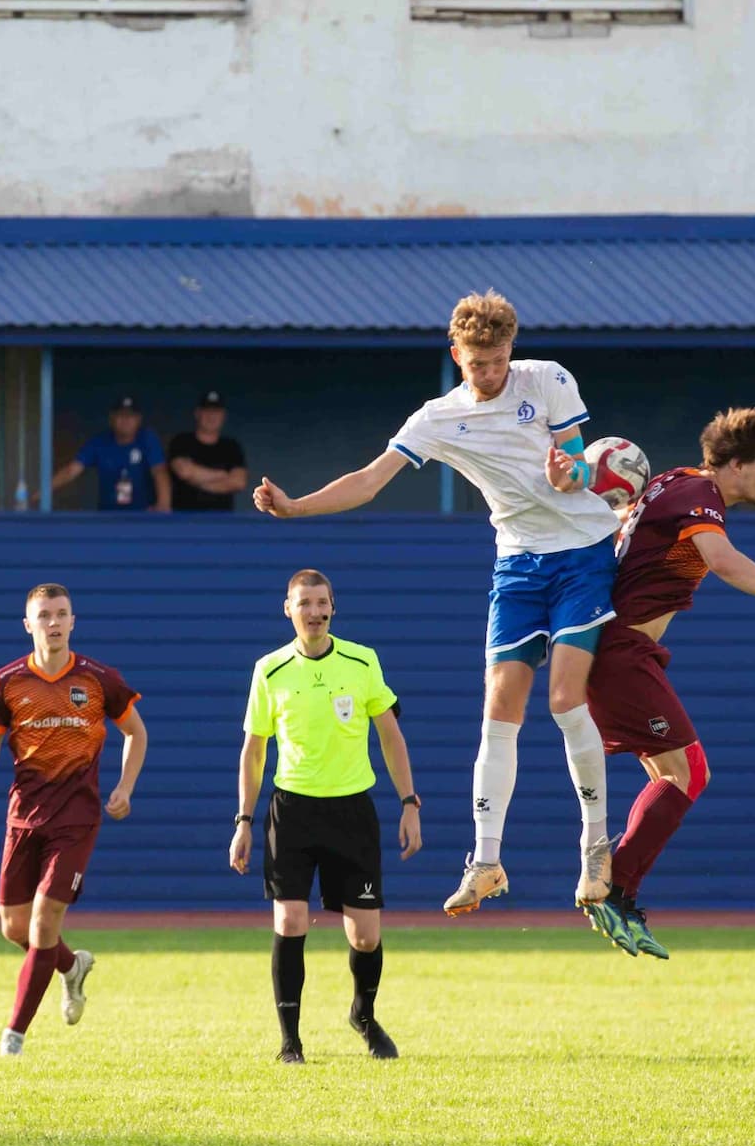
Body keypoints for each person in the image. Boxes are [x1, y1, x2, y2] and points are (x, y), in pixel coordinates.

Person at [253, 290, 621, 917]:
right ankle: (486, 863)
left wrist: (573, 475)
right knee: (499, 708)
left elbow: (582, 465)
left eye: (500, 359)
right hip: (518, 564)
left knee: (563, 699)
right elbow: (369, 481)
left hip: (583, 551)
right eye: (478, 363)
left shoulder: (549, 380)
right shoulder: (438, 417)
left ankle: (594, 846)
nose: (490, 373)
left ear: (512, 349)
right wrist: (295, 507)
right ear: (456, 355)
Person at [583, 409, 755, 957]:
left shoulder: (672, 482)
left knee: (668, 775)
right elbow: (723, 562)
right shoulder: (696, 493)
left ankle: (617, 886)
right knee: (689, 772)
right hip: (623, 653)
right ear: (735, 463)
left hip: (627, 654)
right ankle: (610, 885)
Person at [230, 569, 421, 1063]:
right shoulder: (268, 670)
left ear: (333, 607)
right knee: (291, 920)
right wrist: (244, 822)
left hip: (352, 810)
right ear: (287, 609)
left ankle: (364, 1013)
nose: (313, 612)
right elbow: (253, 751)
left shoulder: (362, 662)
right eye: (303, 603)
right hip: (291, 810)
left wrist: (409, 803)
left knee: (365, 934)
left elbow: (391, 737)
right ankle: (290, 1041)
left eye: (321, 602)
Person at [0, 583, 148, 1057]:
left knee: (43, 923)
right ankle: (71, 966)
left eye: (62, 614)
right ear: (29, 625)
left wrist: (124, 787)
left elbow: (136, 732)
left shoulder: (99, 679)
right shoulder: (8, 681)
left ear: (73, 621)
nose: (54, 623)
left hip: (77, 819)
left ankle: (13, 1037)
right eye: (44, 615)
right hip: (24, 817)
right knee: (14, 928)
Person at [52, 396, 170, 513]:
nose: (126, 420)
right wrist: (42, 493)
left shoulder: (147, 438)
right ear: (111, 418)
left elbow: (159, 471)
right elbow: (71, 471)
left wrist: (163, 505)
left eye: (131, 416)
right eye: (121, 415)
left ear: (139, 419)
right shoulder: (99, 442)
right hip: (109, 516)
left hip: (142, 515)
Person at [168, 390, 249, 511]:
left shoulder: (231, 447)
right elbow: (185, 472)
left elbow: (239, 482)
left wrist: (197, 481)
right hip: (184, 518)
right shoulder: (182, 441)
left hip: (222, 521)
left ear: (223, 415)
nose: (211, 416)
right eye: (207, 411)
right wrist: (222, 475)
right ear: (197, 413)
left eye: (216, 411)